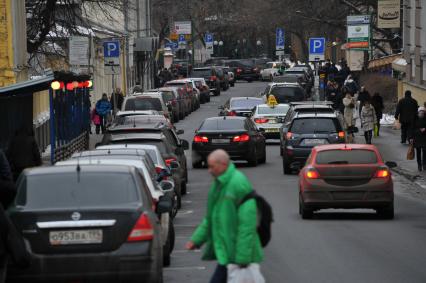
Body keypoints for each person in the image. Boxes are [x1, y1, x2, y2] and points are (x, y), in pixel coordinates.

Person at [186, 150, 263, 283]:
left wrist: (243, 258)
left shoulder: (238, 184)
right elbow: (211, 217)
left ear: (223, 164)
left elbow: (247, 225)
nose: (209, 170)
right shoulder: (219, 184)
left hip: (237, 255)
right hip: (228, 251)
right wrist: (197, 239)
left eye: (212, 166)